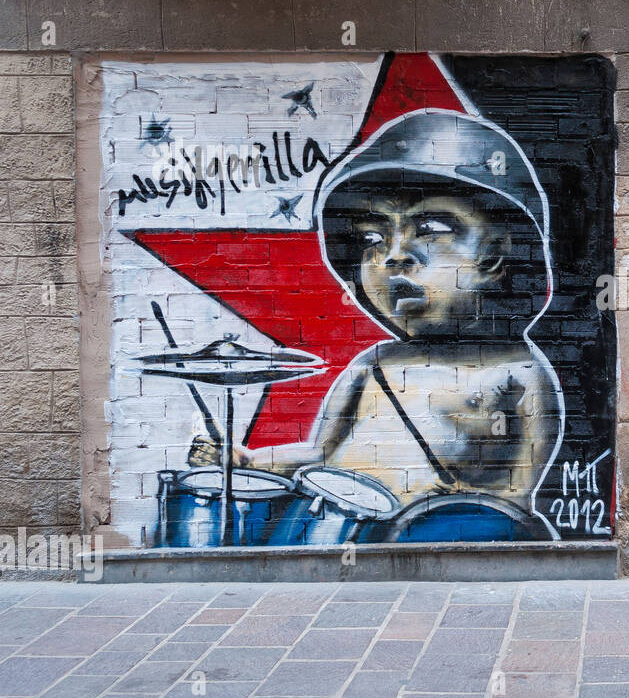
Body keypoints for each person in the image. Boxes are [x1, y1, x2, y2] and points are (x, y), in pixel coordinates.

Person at [189, 109, 564, 540]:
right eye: (372, 239)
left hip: (423, 542)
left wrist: (436, 514)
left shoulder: (517, 374)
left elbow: (516, 503)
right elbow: (322, 454)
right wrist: (249, 461)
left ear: (494, 257)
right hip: (331, 532)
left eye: (431, 228)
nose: (393, 256)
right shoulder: (374, 363)